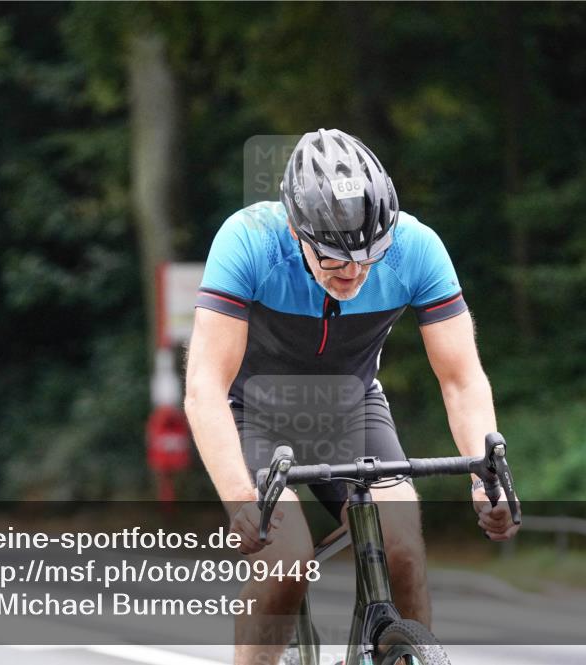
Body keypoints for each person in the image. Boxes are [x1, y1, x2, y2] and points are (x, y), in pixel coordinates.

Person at [185, 128, 519, 664]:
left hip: (351, 407)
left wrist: (489, 477)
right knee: (287, 559)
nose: (356, 273)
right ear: (297, 230)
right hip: (255, 413)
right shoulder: (247, 240)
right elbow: (204, 385)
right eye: (335, 261)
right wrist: (239, 498)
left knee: (403, 549)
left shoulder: (417, 247)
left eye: (370, 256)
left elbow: (461, 379)